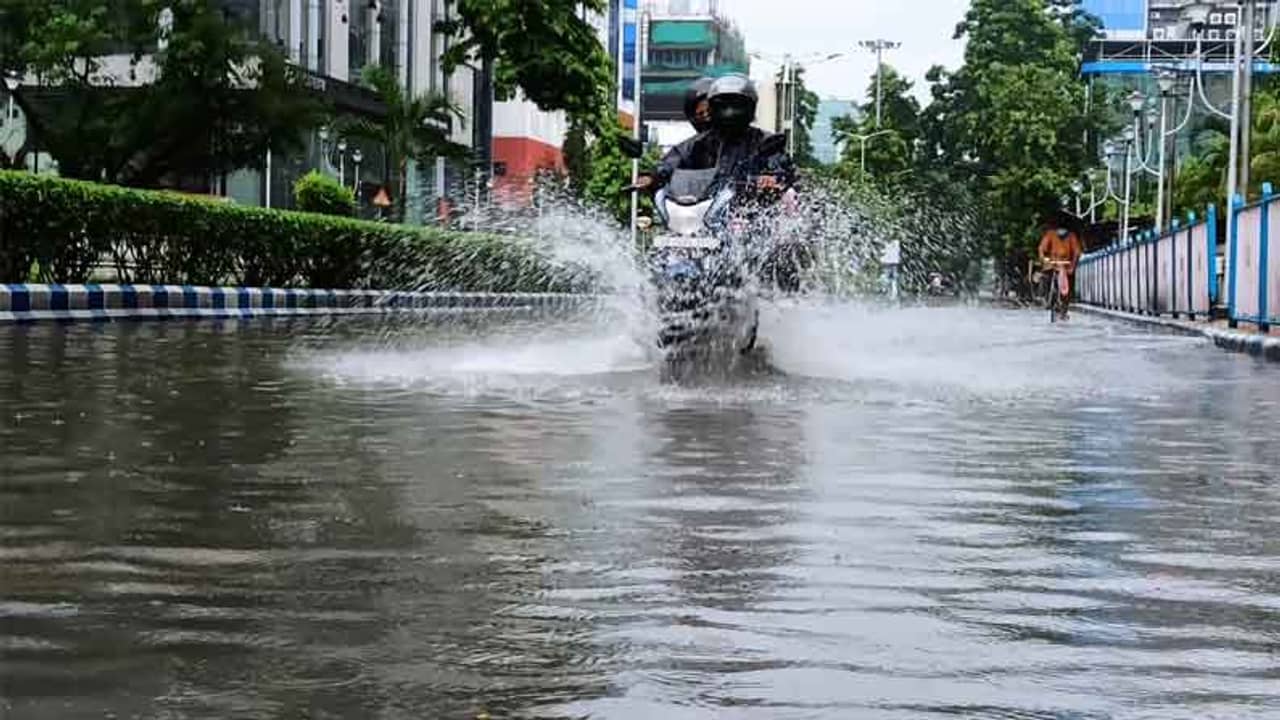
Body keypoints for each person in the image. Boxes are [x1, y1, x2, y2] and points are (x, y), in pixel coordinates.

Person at [635, 77, 714, 192]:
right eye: (700, 113)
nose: (706, 116)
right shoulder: (697, 144)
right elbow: (675, 159)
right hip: (704, 202)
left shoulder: (746, 139)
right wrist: (653, 176)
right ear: (693, 116)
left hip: (738, 203)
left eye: (709, 110)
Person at [1038, 222, 1083, 315]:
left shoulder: (1071, 236)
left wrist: (1072, 266)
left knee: (1069, 283)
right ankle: (1046, 297)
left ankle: (1065, 304)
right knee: (1046, 277)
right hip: (1052, 264)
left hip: (1066, 266)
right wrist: (1044, 259)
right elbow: (1042, 249)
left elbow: (1077, 252)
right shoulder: (1050, 234)